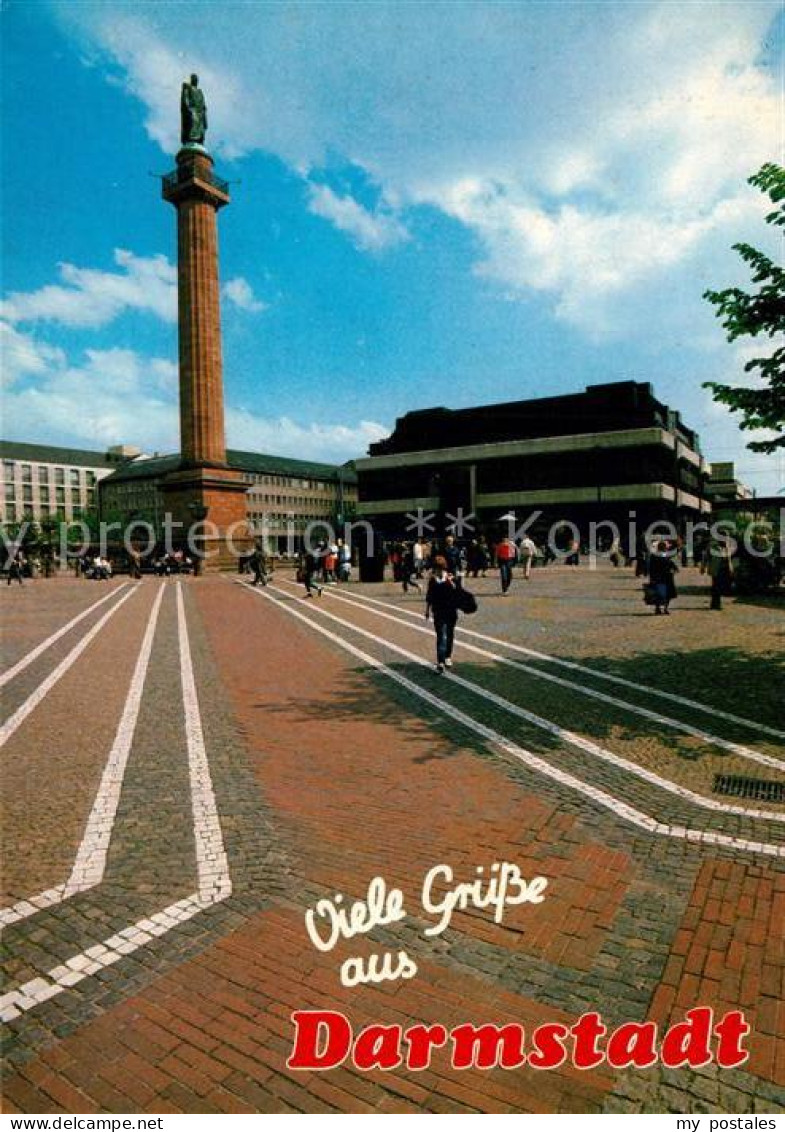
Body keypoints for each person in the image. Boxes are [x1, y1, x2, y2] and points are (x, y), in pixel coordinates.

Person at [425, 556, 459, 673]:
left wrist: (452, 582)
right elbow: (429, 596)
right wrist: (427, 610)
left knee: (449, 634)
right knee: (441, 635)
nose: (438, 571)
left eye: (440, 568)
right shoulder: (432, 580)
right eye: (436, 568)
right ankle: (440, 661)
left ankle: (448, 656)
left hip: (450, 611)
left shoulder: (450, 577)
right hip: (438, 611)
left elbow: (457, 592)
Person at [647, 541, 678, 615]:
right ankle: (660, 608)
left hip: (665, 576)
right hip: (661, 577)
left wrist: (675, 568)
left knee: (666, 594)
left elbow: (670, 563)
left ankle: (663, 608)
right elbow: (651, 567)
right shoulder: (656, 555)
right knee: (661, 594)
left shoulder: (664, 555)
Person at [707, 540, 733, 610]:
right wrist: (703, 566)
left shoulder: (726, 546)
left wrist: (730, 568)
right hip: (715, 568)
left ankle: (716, 604)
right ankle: (715, 605)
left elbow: (729, 558)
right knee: (716, 587)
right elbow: (707, 556)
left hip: (724, 569)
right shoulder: (713, 545)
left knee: (720, 587)